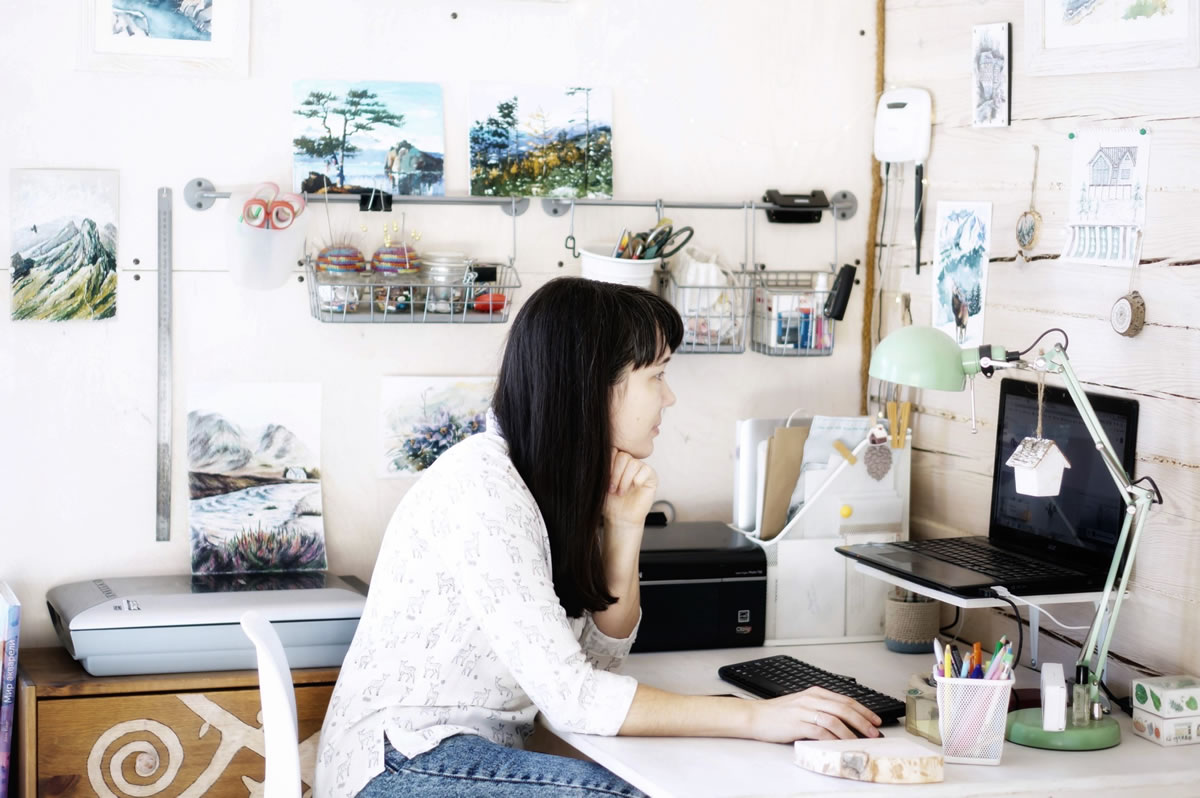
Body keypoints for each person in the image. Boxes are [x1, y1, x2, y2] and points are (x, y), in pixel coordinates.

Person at [315, 277, 881, 797]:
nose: (670, 397)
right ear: (592, 386)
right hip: (399, 760)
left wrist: (625, 526)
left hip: (463, 750)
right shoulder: (484, 491)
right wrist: (754, 716)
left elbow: (598, 662)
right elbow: (573, 698)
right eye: (656, 376)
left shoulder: (549, 483)